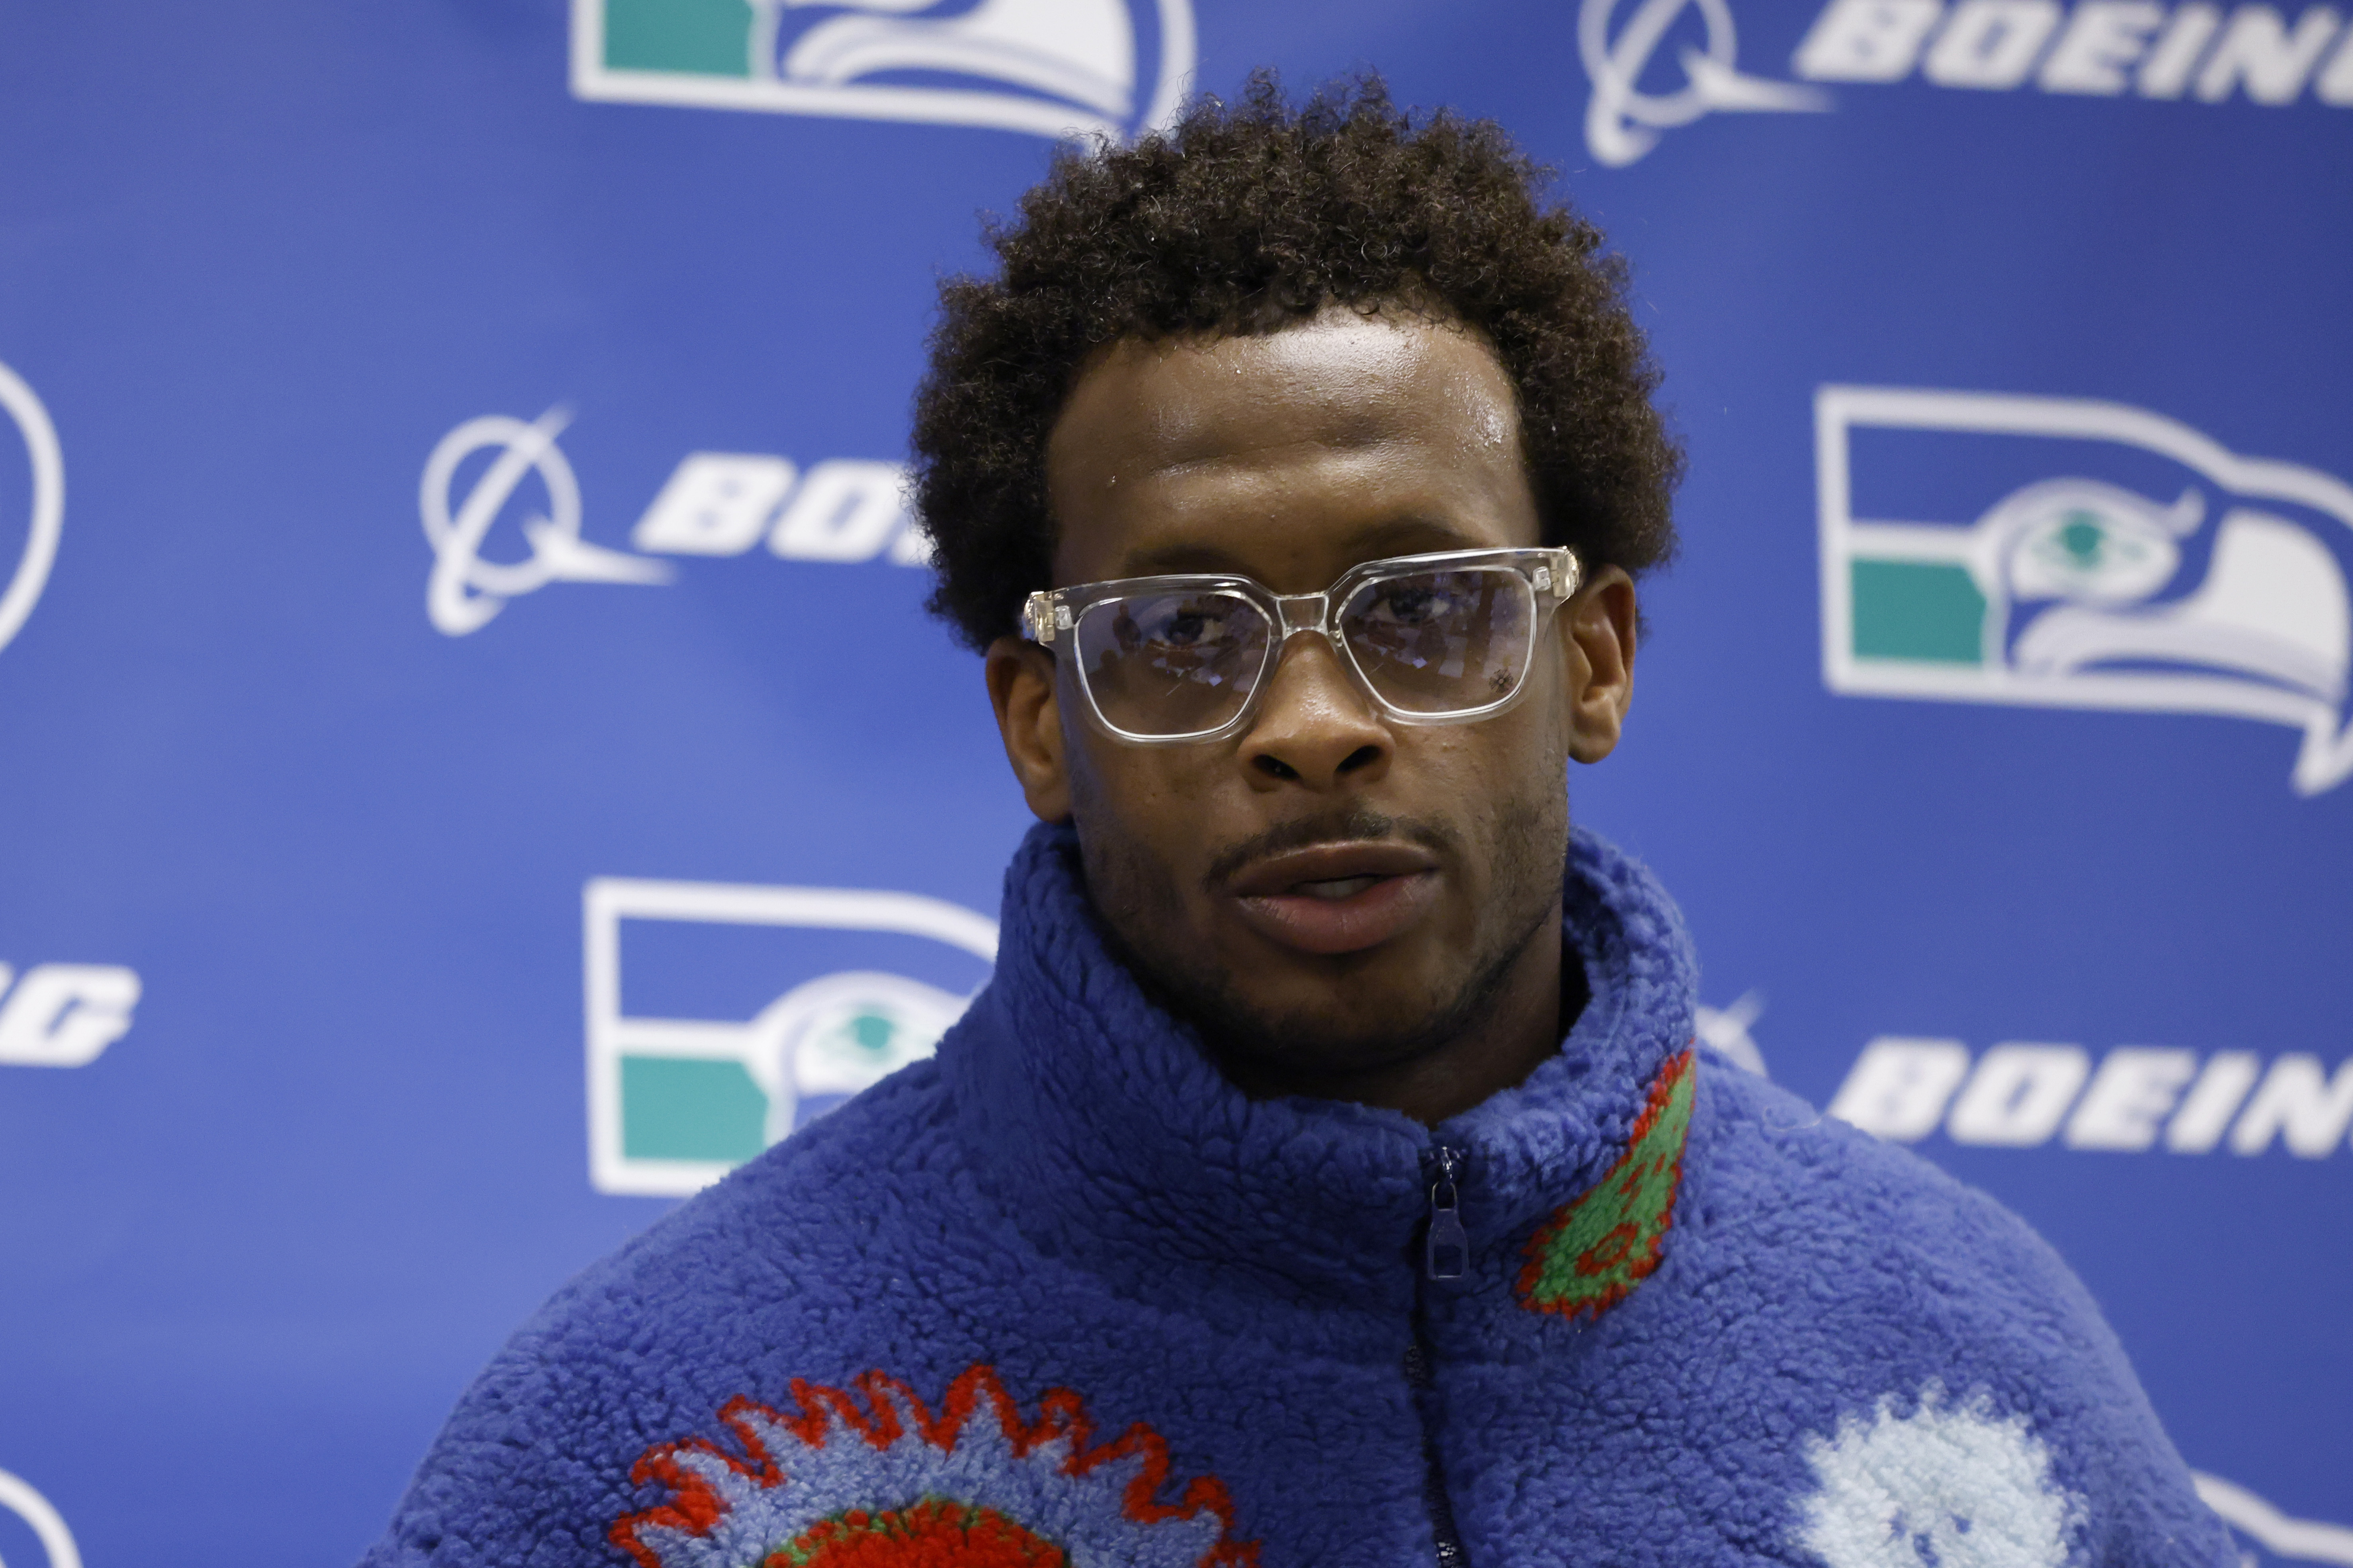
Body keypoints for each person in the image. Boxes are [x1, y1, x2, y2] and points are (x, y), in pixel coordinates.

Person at [363, 78, 2230, 1568]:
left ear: (1589, 658)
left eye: (1423, 612)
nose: (1317, 727)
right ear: (1039, 720)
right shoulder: (661, 1436)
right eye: (1181, 637)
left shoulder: (1975, 1355)